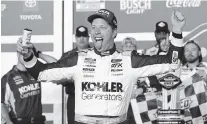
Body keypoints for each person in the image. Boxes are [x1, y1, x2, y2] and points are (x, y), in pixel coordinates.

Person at [18, 9, 184, 124]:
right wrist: (28, 56)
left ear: (114, 32)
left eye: (103, 27)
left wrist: (176, 31)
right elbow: (41, 73)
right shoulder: (78, 59)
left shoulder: (130, 60)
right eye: (94, 27)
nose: (96, 31)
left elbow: (171, 62)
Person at [1, 48, 47, 124]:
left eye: (29, 54)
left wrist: (39, 55)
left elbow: (57, 67)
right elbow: (2, 104)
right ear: (18, 54)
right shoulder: (8, 78)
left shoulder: (37, 72)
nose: (26, 56)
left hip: (38, 121)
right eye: (24, 53)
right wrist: (9, 122)